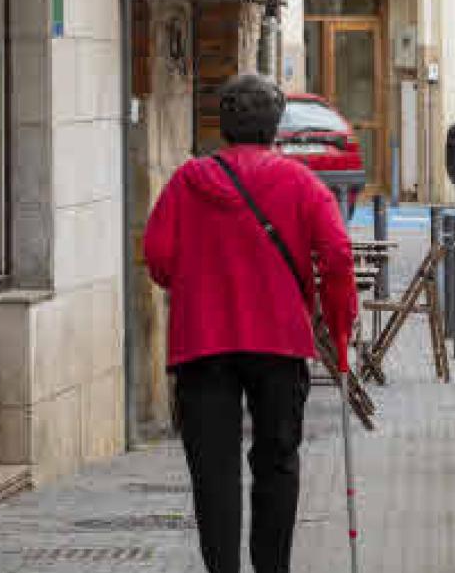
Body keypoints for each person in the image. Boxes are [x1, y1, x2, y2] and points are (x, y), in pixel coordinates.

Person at [144, 75, 358, 573]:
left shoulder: (186, 182)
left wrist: (197, 282)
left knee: (213, 472)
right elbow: (337, 256)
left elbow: (157, 257)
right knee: (277, 461)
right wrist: (339, 325)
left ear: (224, 125)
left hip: (202, 343)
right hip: (279, 343)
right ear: (275, 126)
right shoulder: (301, 183)